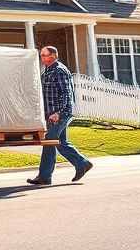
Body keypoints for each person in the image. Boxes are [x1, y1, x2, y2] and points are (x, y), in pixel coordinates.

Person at [27, 46, 93, 185]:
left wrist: (59, 113)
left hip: (60, 114)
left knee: (50, 141)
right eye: (41, 55)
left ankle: (45, 176)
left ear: (53, 56)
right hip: (51, 114)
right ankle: (82, 164)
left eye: (44, 55)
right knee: (60, 142)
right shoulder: (47, 71)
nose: (42, 57)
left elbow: (66, 93)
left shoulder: (59, 70)